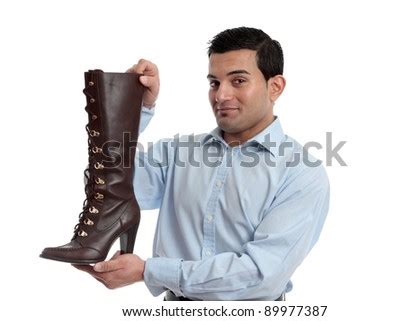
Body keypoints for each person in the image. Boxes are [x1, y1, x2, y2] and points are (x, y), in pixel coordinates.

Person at [74, 27, 330, 301]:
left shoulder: (301, 173)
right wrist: (130, 106)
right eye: (214, 83)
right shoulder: (177, 152)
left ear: (275, 87)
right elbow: (110, 187)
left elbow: (260, 276)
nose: (221, 95)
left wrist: (149, 271)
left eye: (238, 81)